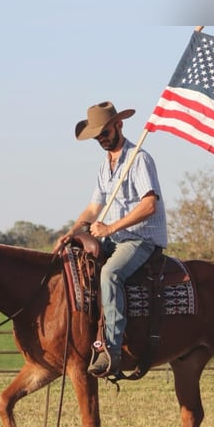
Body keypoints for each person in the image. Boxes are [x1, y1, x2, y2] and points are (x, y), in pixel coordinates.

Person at [53, 101, 168, 378]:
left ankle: (111, 349)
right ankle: (80, 337)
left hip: (140, 239)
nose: (101, 139)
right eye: (97, 136)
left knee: (110, 274)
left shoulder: (138, 159)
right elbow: (93, 208)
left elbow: (149, 204)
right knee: (74, 263)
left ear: (119, 125)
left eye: (105, 132)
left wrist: (110, 228)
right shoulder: (105, 167)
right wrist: (74, 230)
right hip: (113, 237)